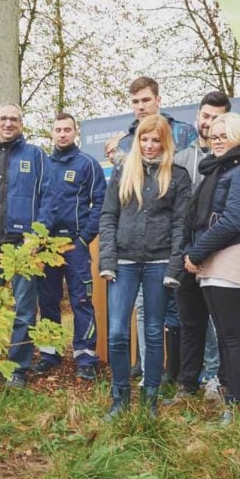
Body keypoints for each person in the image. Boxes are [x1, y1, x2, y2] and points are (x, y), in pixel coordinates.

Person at [99, 114, 191, 418]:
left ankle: (150, 397)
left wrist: (174, 267)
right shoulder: (123, 170)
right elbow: (109, 216)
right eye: (144, 139)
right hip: (123, 262)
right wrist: (108, 259)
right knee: (116, 333)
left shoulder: (177, 176)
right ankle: (120, 396)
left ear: (165, 142)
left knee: (153, 331)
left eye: (156, 140)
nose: (150, 145)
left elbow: (181, 225)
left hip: (159, 261)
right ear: (137, 141)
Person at [182, 114, 240, 422]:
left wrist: (196, 252)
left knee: (234, 337)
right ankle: (232, 398)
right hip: (216, 257)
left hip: (234, 256)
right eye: (213, 135)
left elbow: (232, 219)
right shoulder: (217, 170)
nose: (216, 140)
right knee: (225, 336)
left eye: (224, 135)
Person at [116, 77, 196, 385]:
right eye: (135, 102)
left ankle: (175, 370)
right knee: (140, 310)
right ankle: (147, 366)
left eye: (145, 100)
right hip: (135, 244)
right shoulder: (127, 139)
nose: (140, 106)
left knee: (175, 310)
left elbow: (183, 182)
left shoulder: (183, 133)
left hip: (171, 240)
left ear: (158, 100)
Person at [35, 112, 106, 382]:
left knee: (81, 300)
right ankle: (49, 353)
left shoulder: (88, 164)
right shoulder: (43, 164)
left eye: (67, 129)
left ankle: (85, 357)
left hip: (75, 244)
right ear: (51, 133)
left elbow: (100, 203)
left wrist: (85, 238)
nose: (62, 134)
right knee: (48, 301)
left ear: (76, 132)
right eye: (57, 129)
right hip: (47, 246)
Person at [168, 92, 230, 404]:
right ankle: (187, 383)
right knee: (190, 321)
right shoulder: (180, 158)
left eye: (216, 118)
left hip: (218, 252)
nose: (208, 123)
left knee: (219, 324)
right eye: (205, 116)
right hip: (184, 253)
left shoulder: (231, 161)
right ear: (198, 116)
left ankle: (215, 379)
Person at [0, 102, 47, 386]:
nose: (8, 123)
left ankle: (17, 368)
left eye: (14, 119)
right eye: (3, 118)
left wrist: (36, 236)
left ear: (21, 124)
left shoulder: (35, 156)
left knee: (23, 308)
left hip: (22, 245)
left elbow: (49, 197)